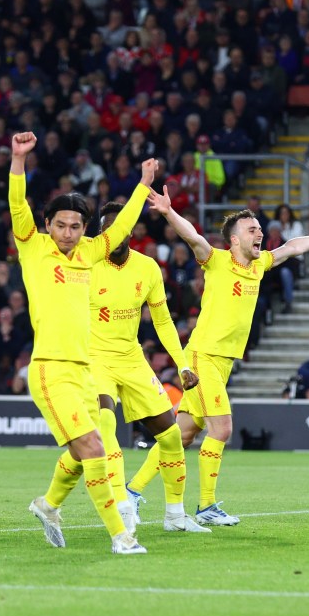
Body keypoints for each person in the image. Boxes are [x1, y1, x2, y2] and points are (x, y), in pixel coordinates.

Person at [128, 188, 309, 526]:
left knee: (182, 434)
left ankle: (132, 492)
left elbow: (292, 246)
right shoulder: (216, 260)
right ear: (233, 240)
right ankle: (206, 505)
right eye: (252, 229)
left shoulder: (258, 266)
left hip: (224, 361)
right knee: (223, 427)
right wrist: (169, 213)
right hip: (203, 356)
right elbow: (193, 236)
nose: (260, 233)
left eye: (259, 228)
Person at [11, 131, 149, 555]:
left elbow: (123, 224)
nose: (67, 233)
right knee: (92, 447)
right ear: (47, 225)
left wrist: (142, 185)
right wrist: (18, 160)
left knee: (84, 450)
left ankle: (48, 505)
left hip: (85, 369)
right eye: (60, 225)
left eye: (75, 226)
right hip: (51, 369)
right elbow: (18, 205)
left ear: (83, 229)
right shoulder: (33, 249)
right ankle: (120, 536)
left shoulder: (90, 252)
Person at [87, 202, 206, 535]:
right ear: (100, 232)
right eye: (108, 228)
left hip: (132, 358)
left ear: (132, 230)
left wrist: (182, 364)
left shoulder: (148, 268)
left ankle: (175, 516)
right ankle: (122, 505)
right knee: (106, 426)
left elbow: (163, 321)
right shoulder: (87, 264)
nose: (115, 233)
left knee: (170, 437)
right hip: (95, 358)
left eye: (121, 227)